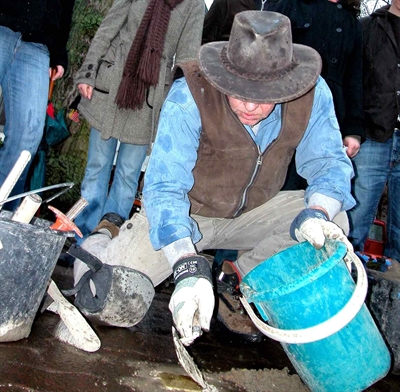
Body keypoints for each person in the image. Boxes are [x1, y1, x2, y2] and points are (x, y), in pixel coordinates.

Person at [69, 11, 355, 346]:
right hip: (185, 213)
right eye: (240, 92)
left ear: (285, 84)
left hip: (254, 212)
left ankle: (237, 281)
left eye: (264, 97)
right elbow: (164, 187)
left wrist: (316, 212)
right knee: (107, 301)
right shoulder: (190, 92)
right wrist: (186, 267)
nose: (250, 106)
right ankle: (105, 233)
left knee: (333, 220)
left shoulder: (311, 94)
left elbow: (330, 165)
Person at [73, 0, 205, 244]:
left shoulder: (194, 6)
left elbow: (187, 60)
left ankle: (106, 242)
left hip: (150, 98)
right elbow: (108, 28)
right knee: (96, 167)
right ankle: (81, 237)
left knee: (127, 176)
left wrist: (177, 107)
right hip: (111, 86)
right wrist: (88, 72)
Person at [266, 0, 364, 189]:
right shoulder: (286, 5)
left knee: (321, 185)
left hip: (332, 119)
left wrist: (353, 131)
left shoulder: (352, 23)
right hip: (285, 115)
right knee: (279, 186)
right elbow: (265, 60)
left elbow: (354, 79)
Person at [0, 0, 75, 210]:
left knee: (26, 141)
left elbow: (65, 7)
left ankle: (4, 219)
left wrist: (59, 51)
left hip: (38, 46)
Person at [347, 0, 400, 262]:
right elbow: (352, 82)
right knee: (353, 221)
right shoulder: (366, 27)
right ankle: (344, 282)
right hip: (373, 136)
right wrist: (353, 129)